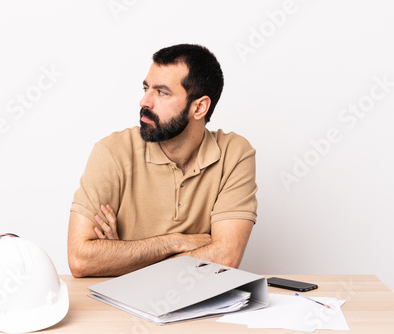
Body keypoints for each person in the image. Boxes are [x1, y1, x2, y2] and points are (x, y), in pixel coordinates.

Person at [68, 44, 257, 278]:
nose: (144, 102)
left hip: (196, 307)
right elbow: (80, 260)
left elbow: (226, 257)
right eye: (146, 88)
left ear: (199, 107)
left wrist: (120, 258)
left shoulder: (234, 154)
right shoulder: (112, 152)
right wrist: (174, 242)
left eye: (161, 92)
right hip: (120, 308)